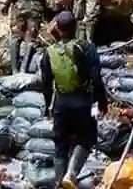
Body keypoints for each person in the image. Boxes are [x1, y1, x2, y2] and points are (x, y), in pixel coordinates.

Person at [40, 11, 108, 189]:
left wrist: (48, 107)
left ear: (58, 30)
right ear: (76, 27)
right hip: (83, 101)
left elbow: (46, 84)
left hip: (61, 104)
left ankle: (58, 182)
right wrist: (102, 103)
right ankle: (71, 175)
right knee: (86, 138)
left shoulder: (49, 53)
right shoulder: (86, 47)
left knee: (60, 144)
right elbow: (97, 80)